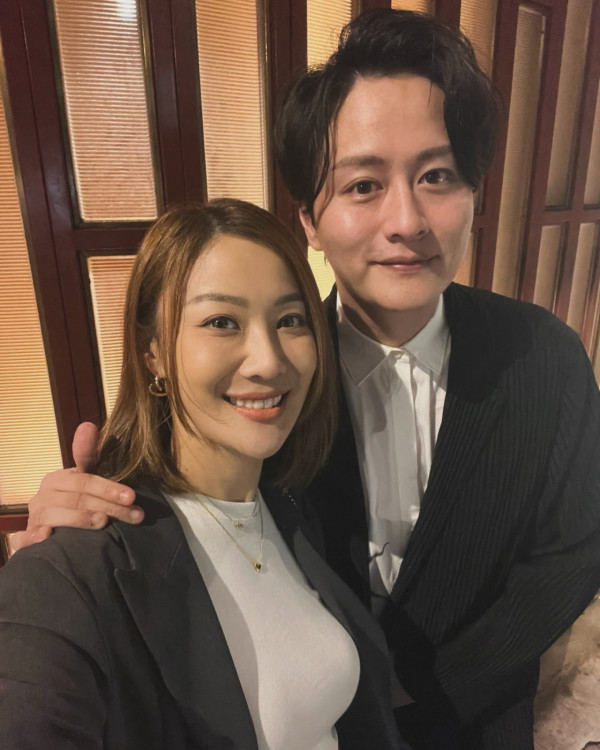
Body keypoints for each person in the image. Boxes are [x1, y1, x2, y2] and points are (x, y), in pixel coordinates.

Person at [12, 9, 600, 750]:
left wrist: (419, 688)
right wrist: (66, 517)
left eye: (437, 176)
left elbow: (571, 554)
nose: (406, 219)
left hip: (479, 728)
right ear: (310, 222)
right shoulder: (264, 388)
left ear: (475, 195)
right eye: (363, 184)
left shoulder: (545, 357)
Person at [0, 199, 406, 750]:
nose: (268, 361)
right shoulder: (73, 569)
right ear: (152, 353)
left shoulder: (291, 502)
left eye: (290, 320)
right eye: (221, 322)